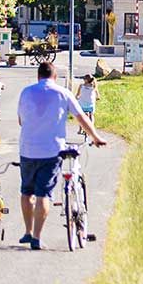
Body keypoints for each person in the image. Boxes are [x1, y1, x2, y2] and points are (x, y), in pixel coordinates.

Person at [17, 61, 107, 250]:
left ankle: (27, 231)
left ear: (38, 76)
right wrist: (96, 137)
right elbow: (81, 117)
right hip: (51, 151)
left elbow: (20, 121)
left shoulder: (26, 92)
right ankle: (37, 238)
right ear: (55, 77)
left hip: (27, 150)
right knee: (43, 194)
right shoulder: (63, 93)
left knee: (26, 192)